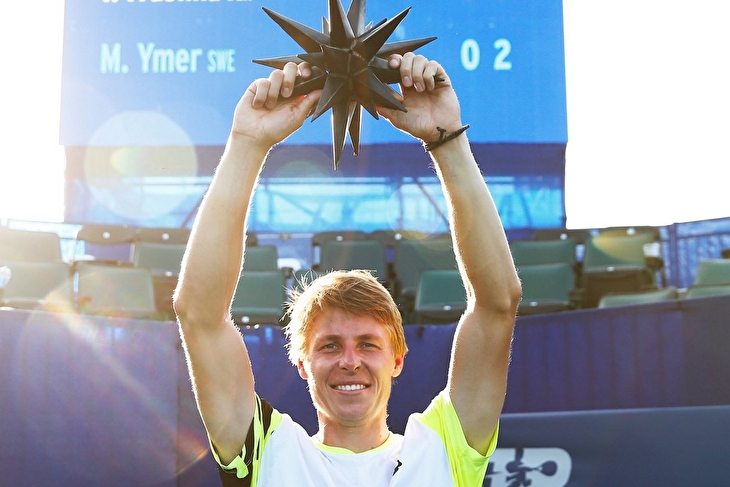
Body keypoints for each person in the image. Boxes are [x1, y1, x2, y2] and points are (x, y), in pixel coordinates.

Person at [173, 52, 522, 486]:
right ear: (302, 363)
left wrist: (446, 138)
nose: (350, 361)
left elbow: (497, 304)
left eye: (368, 344)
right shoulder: (268, 451)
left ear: (397, 359)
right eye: (330, 346)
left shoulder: (444, 447)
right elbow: (199, 314)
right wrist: (247, 143)